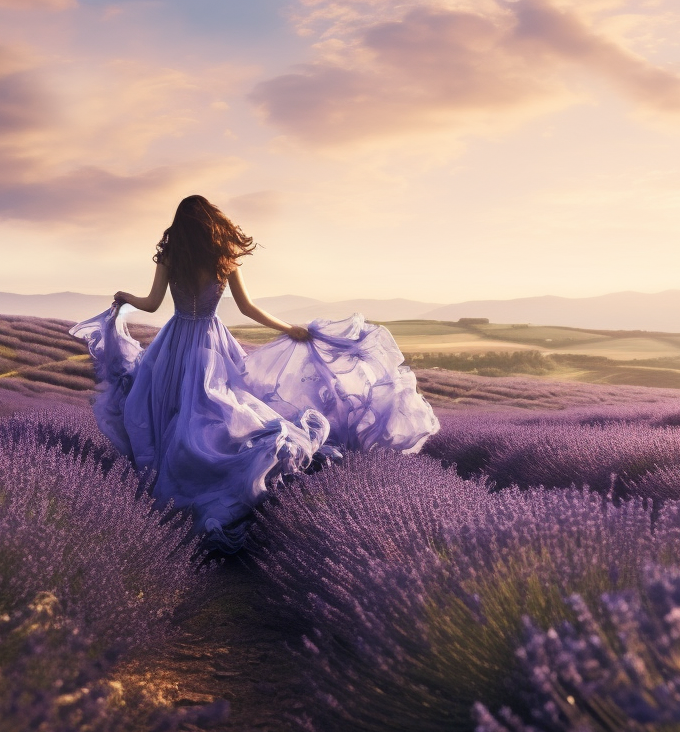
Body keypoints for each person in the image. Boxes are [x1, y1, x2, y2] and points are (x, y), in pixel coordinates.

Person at [70, 195, 438, 551]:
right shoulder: (223, 258)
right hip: (210, 341)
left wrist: (124, 298)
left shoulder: (170, 256)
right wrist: (288, 328)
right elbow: (248, 308)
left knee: (169, 411)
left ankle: (175, 480)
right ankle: (218, 476)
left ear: (179, 226)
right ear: (212, 223)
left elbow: (151, 304)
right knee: (215, 411)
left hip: (175, 340)